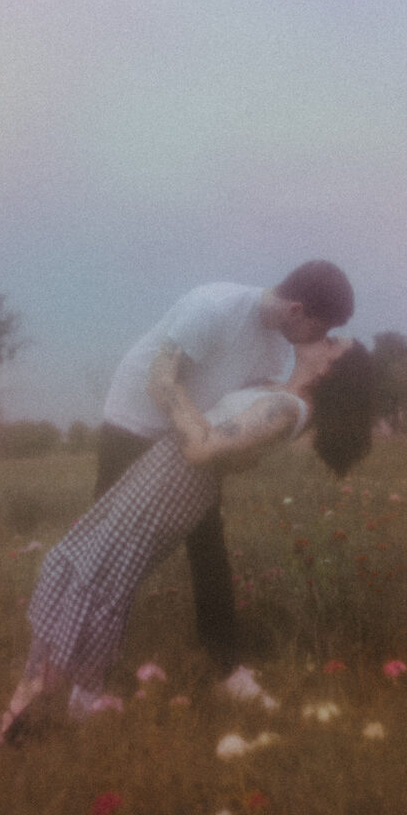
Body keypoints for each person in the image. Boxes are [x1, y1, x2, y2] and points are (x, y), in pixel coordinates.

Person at [0, 335, 373, 746]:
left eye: (332, 343)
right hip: (162, 478)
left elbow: (203, 450)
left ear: (329, 369)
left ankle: (20, 721)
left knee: (89, 581)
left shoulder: (285, 409)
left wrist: (169, 385)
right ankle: (53, 712)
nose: (321, 337)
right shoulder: (279, 394)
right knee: (84, 574)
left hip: (170, 489)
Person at [95, 261, 355, 670]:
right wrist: (200, 442)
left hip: (189, 435)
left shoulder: (275, 346)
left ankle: (226, 667)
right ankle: (88, 672)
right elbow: (160, 380)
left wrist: (230, 453)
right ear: (296, 311)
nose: (319, 341)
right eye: (320, 330)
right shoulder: (213, 305)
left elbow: (238, 413)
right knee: (108, 548)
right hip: (133, 424)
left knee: (207, 542)